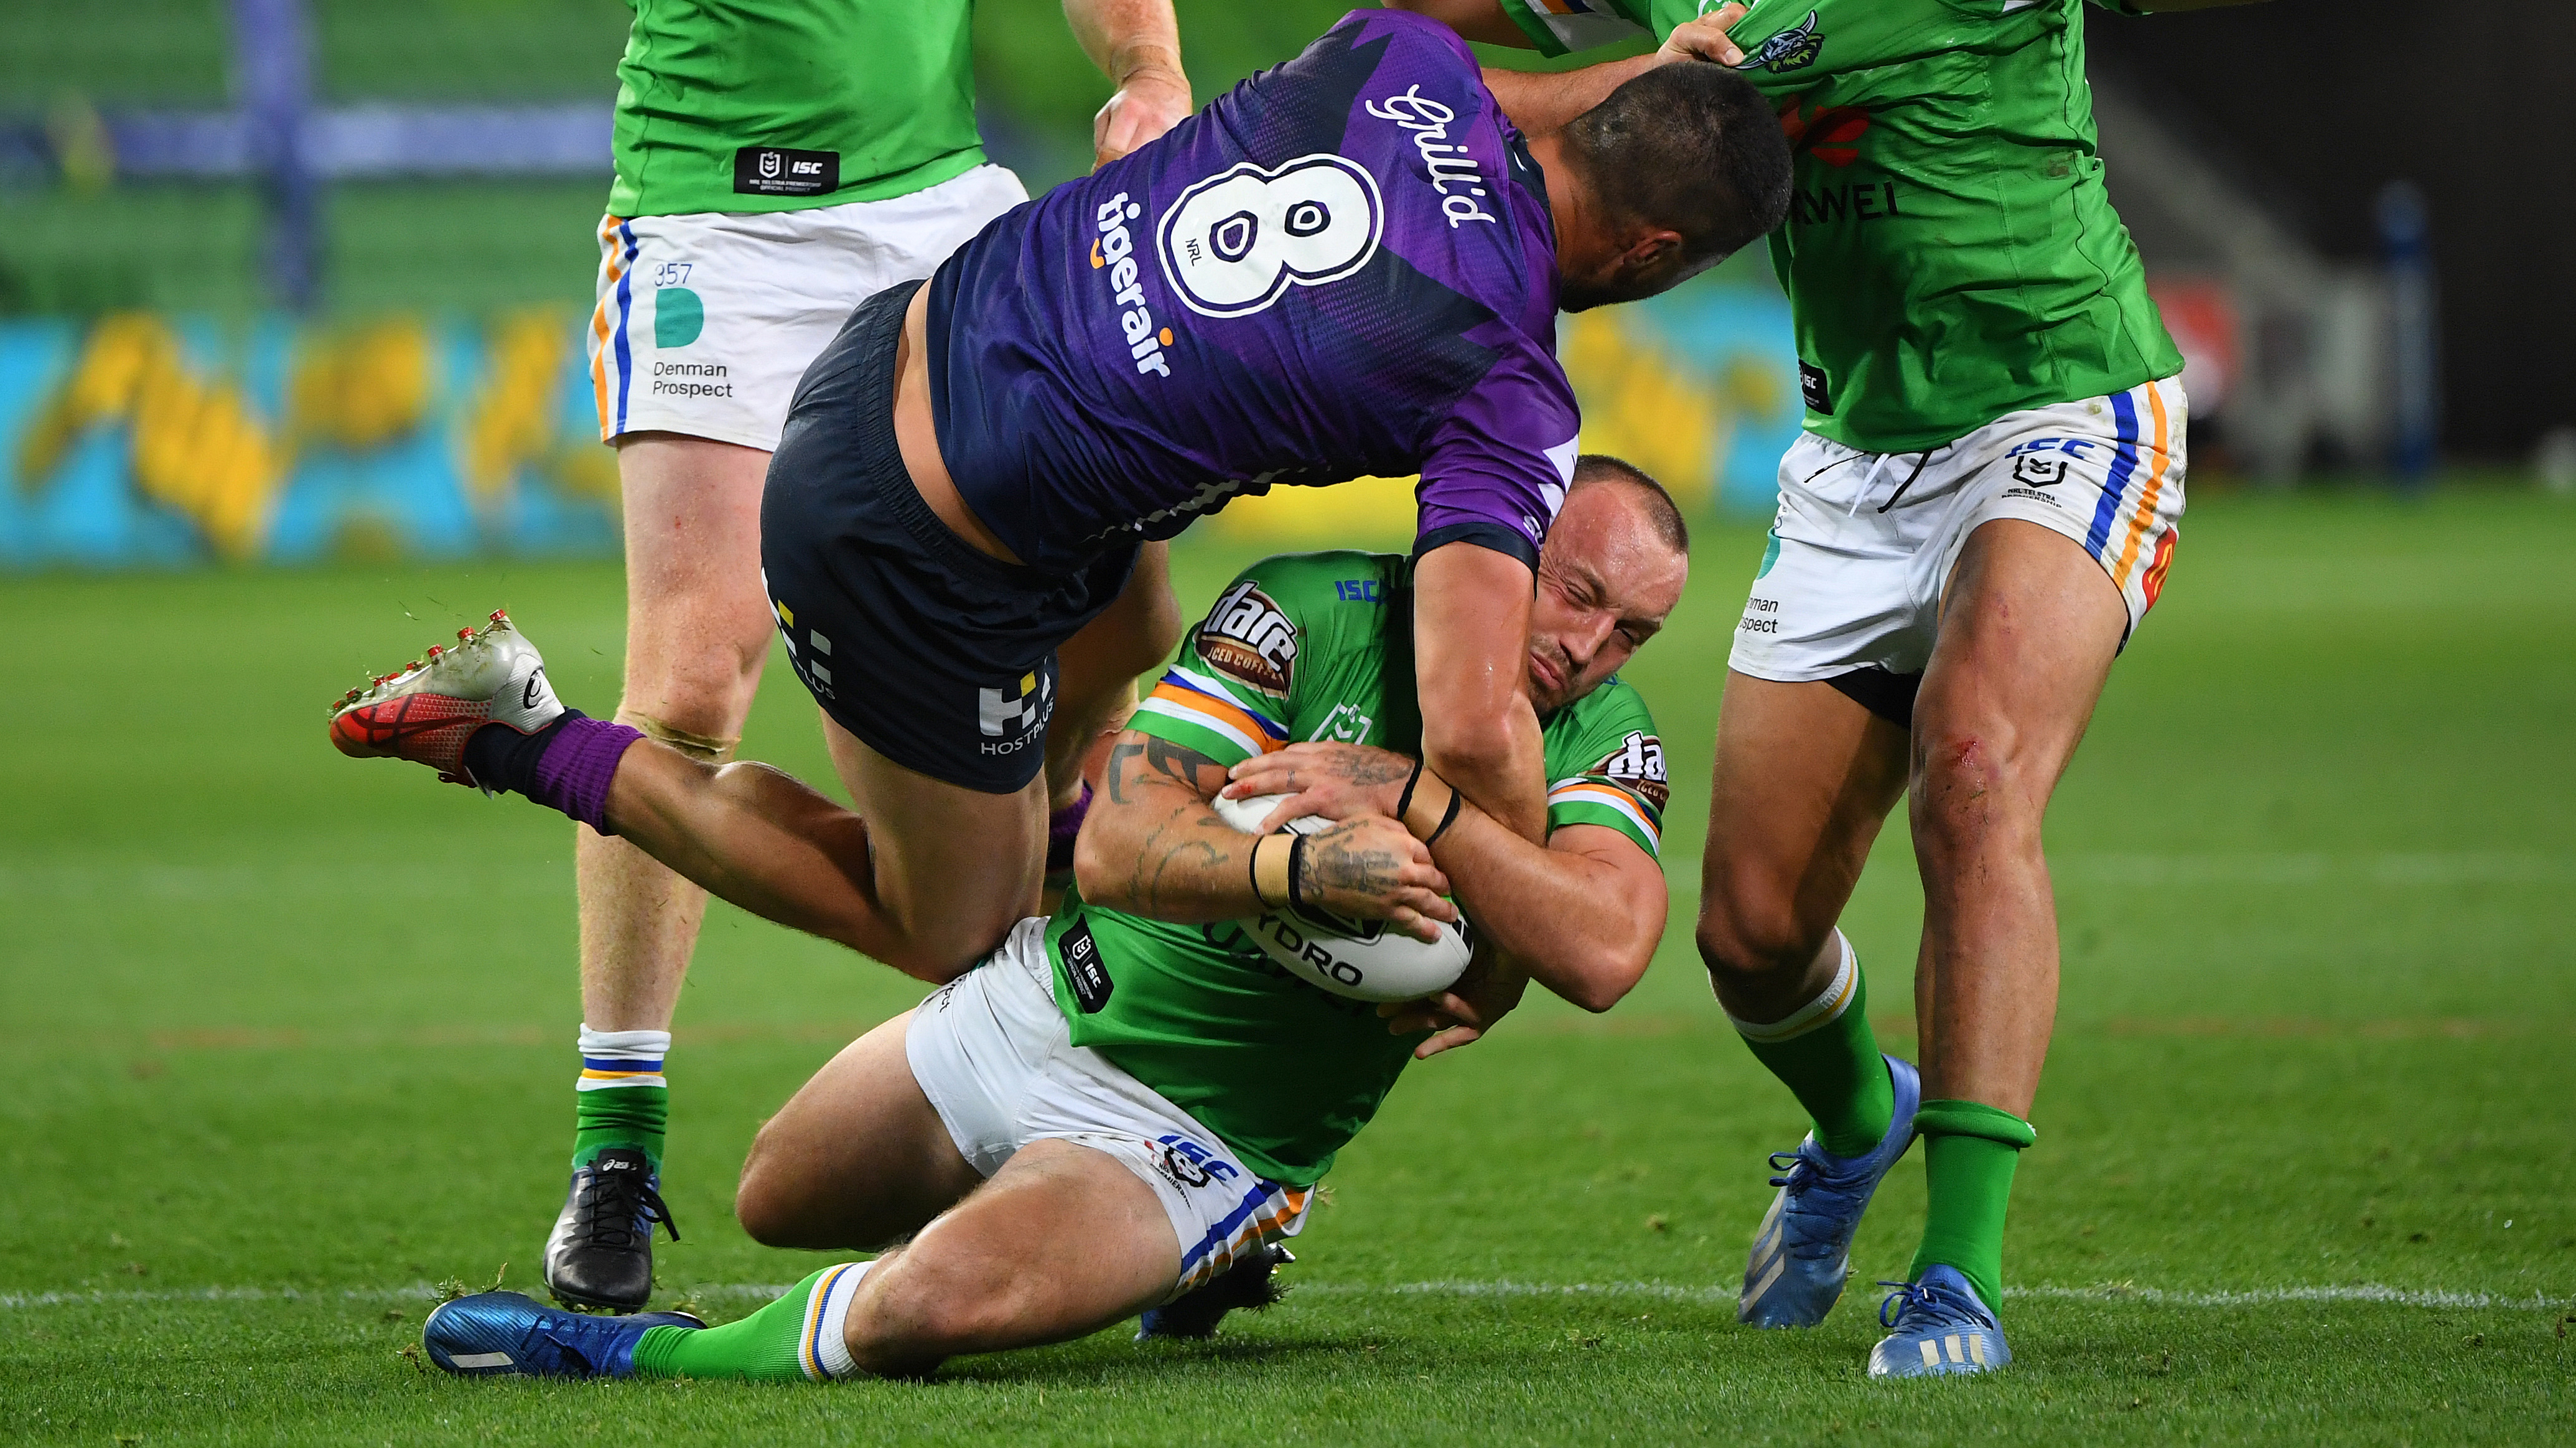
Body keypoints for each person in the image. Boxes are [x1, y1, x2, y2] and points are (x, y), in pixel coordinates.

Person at [340, 0, 1785, 1304]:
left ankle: (1081, 950)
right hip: (915, 543)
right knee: (938, 922)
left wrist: (1656, 70)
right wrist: (1497, 946)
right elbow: (1473, 738)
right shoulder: (1506, 385)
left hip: (920, 350)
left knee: (1146, 637)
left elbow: (1512, 87)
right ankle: (528, 736)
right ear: (1658, 259)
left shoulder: (1393, 56)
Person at [362, 463, 1689, 1380]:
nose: (1587, 647)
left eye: (1630, 632)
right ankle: (530, 737)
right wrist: (1300, 876)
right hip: (1047, 992)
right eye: (1576, 593)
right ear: (1507, 534)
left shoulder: (1607, 742)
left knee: (923, 1311)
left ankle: (643, 1353)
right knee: (778, 1196)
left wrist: (1410, 802)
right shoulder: (1309, 609)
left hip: (1198, 1135)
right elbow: (1118, 848)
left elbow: (1609, 950)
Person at [1389, 0, 2264, 1378]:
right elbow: (1414, 36)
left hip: (2059, 402)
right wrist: (1616, 75)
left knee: (1974, 773)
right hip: (1856, 462)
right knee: (1750, 935)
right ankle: (1860, 1124)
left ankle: (1957, 1278)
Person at [561, 0, 1196, 1313]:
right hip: (713, 225)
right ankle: (615, 1143)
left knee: (1113, 616)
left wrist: (1149, 66)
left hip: (937, 214)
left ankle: (1102, 1117)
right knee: (687, 682)